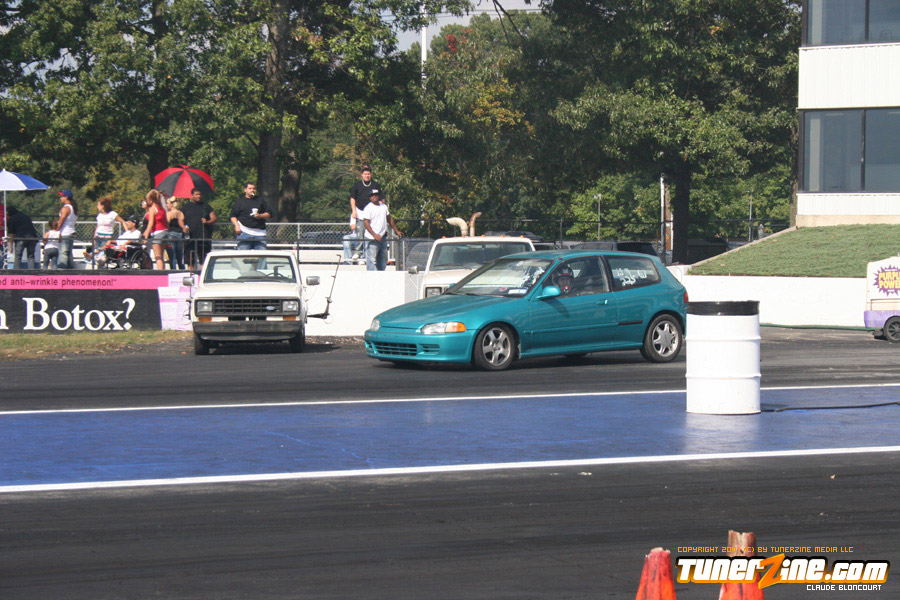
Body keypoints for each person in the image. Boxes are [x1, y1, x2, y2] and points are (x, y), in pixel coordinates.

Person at [359, 188, 402, 271]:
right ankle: (372, 276)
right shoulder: (368, 208)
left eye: (376, 195)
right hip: (371, 238)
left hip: (382, 237)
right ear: (370, 198)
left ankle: (381, 274)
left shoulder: (384, 207)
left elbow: (389, 219)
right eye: (372, 195)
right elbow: (366, 223)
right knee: (371, 260)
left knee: (383, 259)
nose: (374, 197)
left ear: (378, 196)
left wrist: (397, 230)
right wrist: (374, 235)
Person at [347, 165, 379, 260]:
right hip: (360, 213)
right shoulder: (357, 185)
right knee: (360, 235)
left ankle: (368, 254)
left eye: (368, 174)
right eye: (365, 174)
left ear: (371, 174)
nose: (367, 175)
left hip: (372, 215)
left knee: (370, 235)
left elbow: (380, 199)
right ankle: (358, 252)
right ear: (362, 175)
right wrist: (354, 211)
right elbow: (352, 198)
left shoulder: (375, 185)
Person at [182, 187, 217, 268]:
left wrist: (207, 222)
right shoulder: (186, 207)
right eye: (196, 194)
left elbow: (214, 218)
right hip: (190, 237)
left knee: (204, 260)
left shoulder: (206, 206)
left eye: (200, 194)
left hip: (203, 237)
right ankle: (190, 274)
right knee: (190, 260)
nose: (199, 196)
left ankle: (203, 274)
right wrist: (183, 227)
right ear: (192, 195)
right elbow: (180, 219)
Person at [229, 183, 271, 250]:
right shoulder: (240, 201)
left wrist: (260, 215)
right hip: (244, 233)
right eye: (250, 188)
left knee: (261, 255)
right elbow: (232, 215)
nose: (252, 190)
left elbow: (269, 213)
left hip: (260, 234)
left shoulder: (260, 200)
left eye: (253, 188)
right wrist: (237, 226)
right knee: (243, 255)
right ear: (245, 190)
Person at [89, 197, 125, 266]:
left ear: (103, 206)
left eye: (98, 205)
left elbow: (122, 221)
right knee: (97, 255)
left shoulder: (112, 214)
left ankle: (101, 268)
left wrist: (127, 232)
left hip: (107, 237)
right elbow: (98, 226)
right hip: (98, 237)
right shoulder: (99, 215)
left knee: (102, 255)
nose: (97, 206)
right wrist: (94, 237)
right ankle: (95, 264)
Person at [142, 189, 169, 270]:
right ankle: (163, 271)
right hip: (165, 232)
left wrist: (146, 235)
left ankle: (160, 273)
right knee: (162, 255)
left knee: (158, 256)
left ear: (151, 199)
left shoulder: (152, 209)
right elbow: (166, 222)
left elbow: (151, 223)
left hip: (157, 232)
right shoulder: (162, 209)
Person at [57, 190, 78, 269]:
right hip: (71, 231)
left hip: (65, 233)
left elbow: (61, 221)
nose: (61, 198)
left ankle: (62, 269)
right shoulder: (73, 208)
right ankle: (70, 269)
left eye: (62, 196)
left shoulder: (65, 208)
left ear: (66, 197)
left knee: (63, 252)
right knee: (68, 253)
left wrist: (56, 231)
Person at [165, 197, 188, 269]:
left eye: (167, 203)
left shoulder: (169, 214)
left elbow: (167, 224)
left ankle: (173, 270)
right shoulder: (181, 213)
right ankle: (182, 269)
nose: (167, 205)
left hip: (171, 234)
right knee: (179, 255)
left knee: (172, 256)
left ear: (171, 204)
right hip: (180, 235)